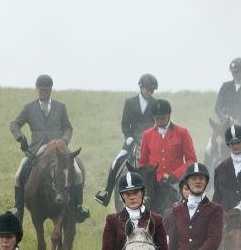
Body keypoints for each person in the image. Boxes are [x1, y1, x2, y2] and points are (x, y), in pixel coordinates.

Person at [10, 74, 90, 222]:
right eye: (40, 88)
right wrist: (21, 138)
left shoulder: (60, 106)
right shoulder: (29, 108)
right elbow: (14, 124)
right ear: (37, 89)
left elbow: (68, 128)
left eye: (46, 89)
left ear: (51, 89)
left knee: (78, 172)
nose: (43, 91)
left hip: (58, 149)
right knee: (18, 175)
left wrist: (64, 141)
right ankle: (18, 209)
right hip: (37, 149)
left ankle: (79, 206)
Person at [98, 73, 158, 206]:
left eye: (152, 90)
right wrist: (129, 137)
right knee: (115, 163)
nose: (150, 92)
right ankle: (106, 193)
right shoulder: (130, 102)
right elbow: (125, 123)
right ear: (141, 87)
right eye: (148, 89)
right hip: (132, 141)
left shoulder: (155, 104)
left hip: (150, 142)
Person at [138, 98, 197, 204]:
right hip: (153, 184)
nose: (160, 121)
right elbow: (143, 163)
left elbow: (191, 160)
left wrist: (176, 175)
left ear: (169, 115)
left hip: (176, 182)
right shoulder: (147, 135)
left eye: (162, 118)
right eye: (157, 119)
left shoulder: (182, 133)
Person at [215, 57, 241, 125]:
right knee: (214, 135)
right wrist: (225, 118)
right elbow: (217, 108)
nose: (234, 74)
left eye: (237, 72)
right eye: (232, 72)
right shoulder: (225, 86)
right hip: (226, 124)